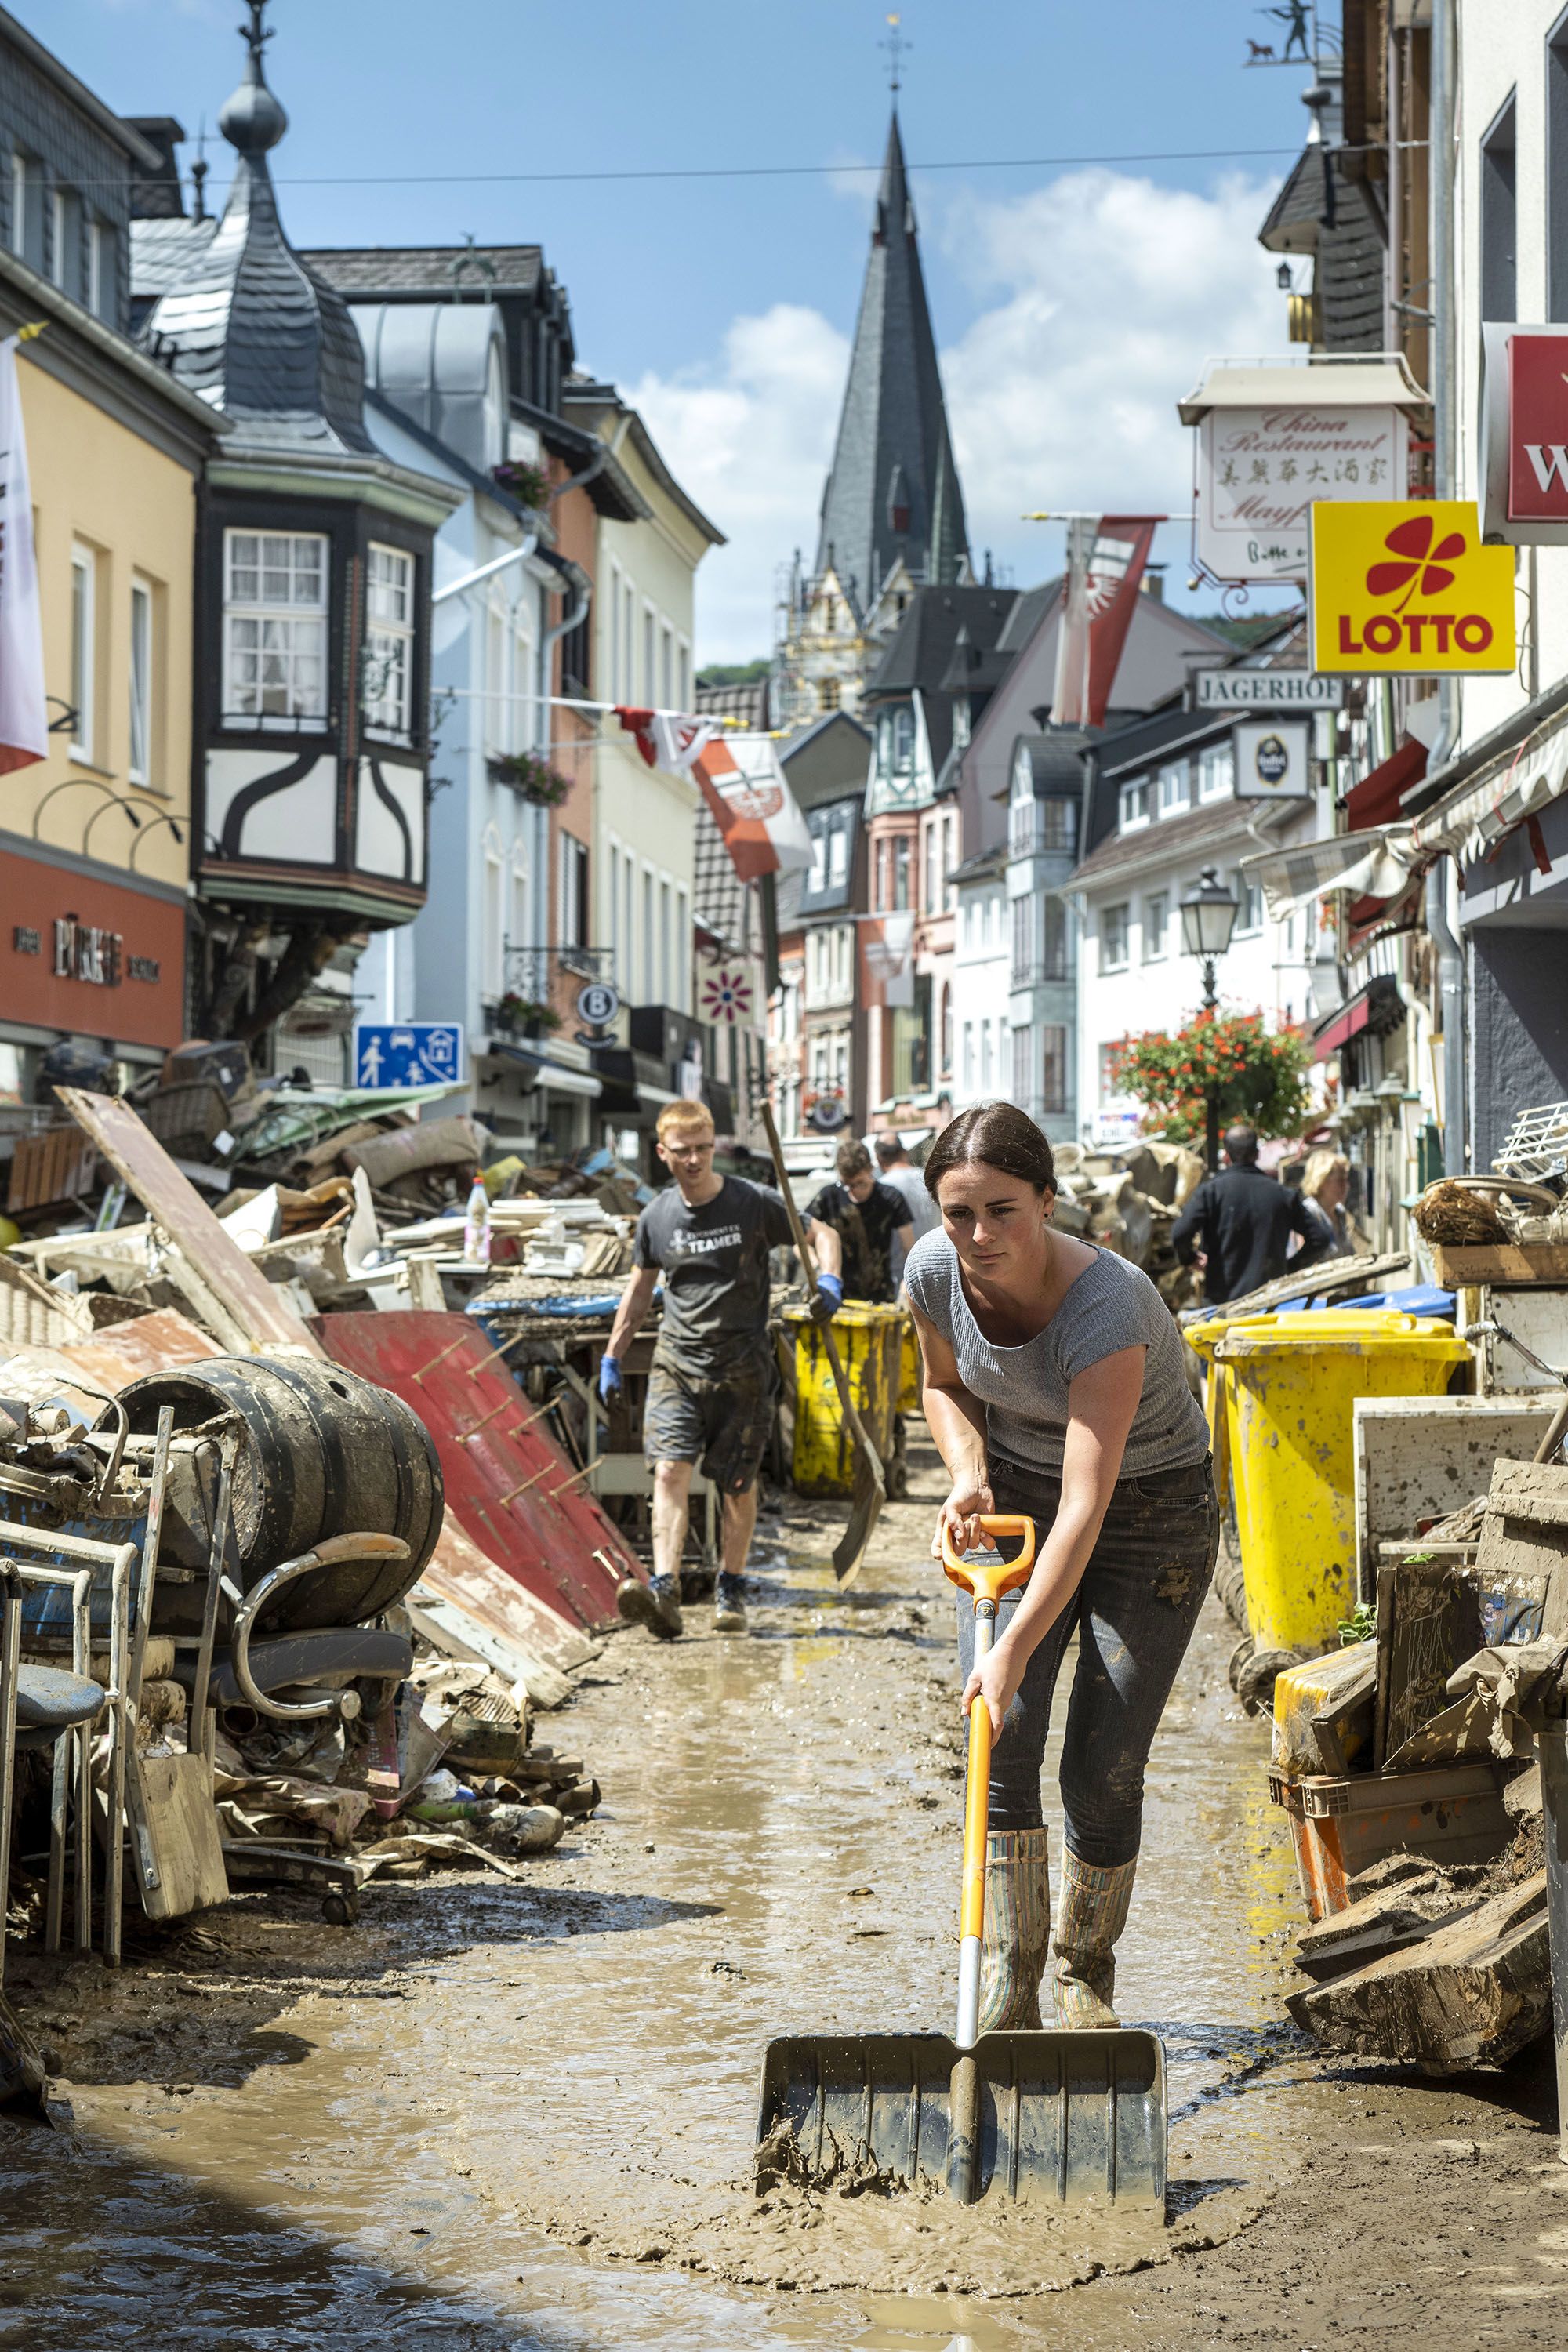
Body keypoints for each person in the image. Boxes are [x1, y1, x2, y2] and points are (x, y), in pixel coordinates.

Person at [903, 1102, 1218, 2033]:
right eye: (956, 1213)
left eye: (1001, 1210)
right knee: (999, 1744)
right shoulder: (931, 1273)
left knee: (1101, 1761)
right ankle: (1010, 1983)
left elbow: (1087, 1509)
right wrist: (967, 1475)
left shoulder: (1106, 1307)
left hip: (1149, 1512)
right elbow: (943, 1382)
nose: (977, 1235)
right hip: (1022, 1496)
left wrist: (1006, 1650)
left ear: (1046, 1201)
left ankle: (1085, 1974)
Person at [599, 1098, 843, 1639]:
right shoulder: (656, 1217)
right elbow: (639, 1294)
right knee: (668, 1471)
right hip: (677, 1363)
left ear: (715, 1147)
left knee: (737, 1486)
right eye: (682, 1151)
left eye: (703, 1149)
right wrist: (614, 1354)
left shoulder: (752, 1203)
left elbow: (823, 1235)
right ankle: (665, 1588)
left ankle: (731, 1584)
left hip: (745, 1370)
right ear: (663, 1153)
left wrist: (829, 1280)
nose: (694, 1160)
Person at [1170, 1122, 1321, 1305]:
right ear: (1257, 1154)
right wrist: (1289, 1267)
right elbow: (1320, 1238)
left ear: (1226, 1156)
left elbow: (1179, 1234)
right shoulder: (1283, 1194)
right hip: (1271, 1303)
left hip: (1223, 1305)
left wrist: (1190, 1259)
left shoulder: (1210, 1192)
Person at [806, 1138, 915, 1304]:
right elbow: (799, 1240)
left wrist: (906, 1284)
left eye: (861, 1184)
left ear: (871, 1170)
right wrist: (818, 1268)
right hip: (836, 1298)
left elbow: (910, 1249)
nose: (854, 1191)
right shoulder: (828, 1197)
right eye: (848, 1185)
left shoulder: (890, 1197)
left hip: (880, 1297)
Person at [875, 1132, 940, 1286]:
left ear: (879, 1160)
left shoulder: (881, 1189)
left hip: (901, 1279)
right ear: (904, 1153)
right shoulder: (930, 1179)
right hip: (939, 1269)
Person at [1298, 1149, 1354, 1261]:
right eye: (1339, 1180)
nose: (1346, 1186)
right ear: (1321, 1181)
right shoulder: (1308, 1213)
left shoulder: (1340, 1213)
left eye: (1346, 1180)